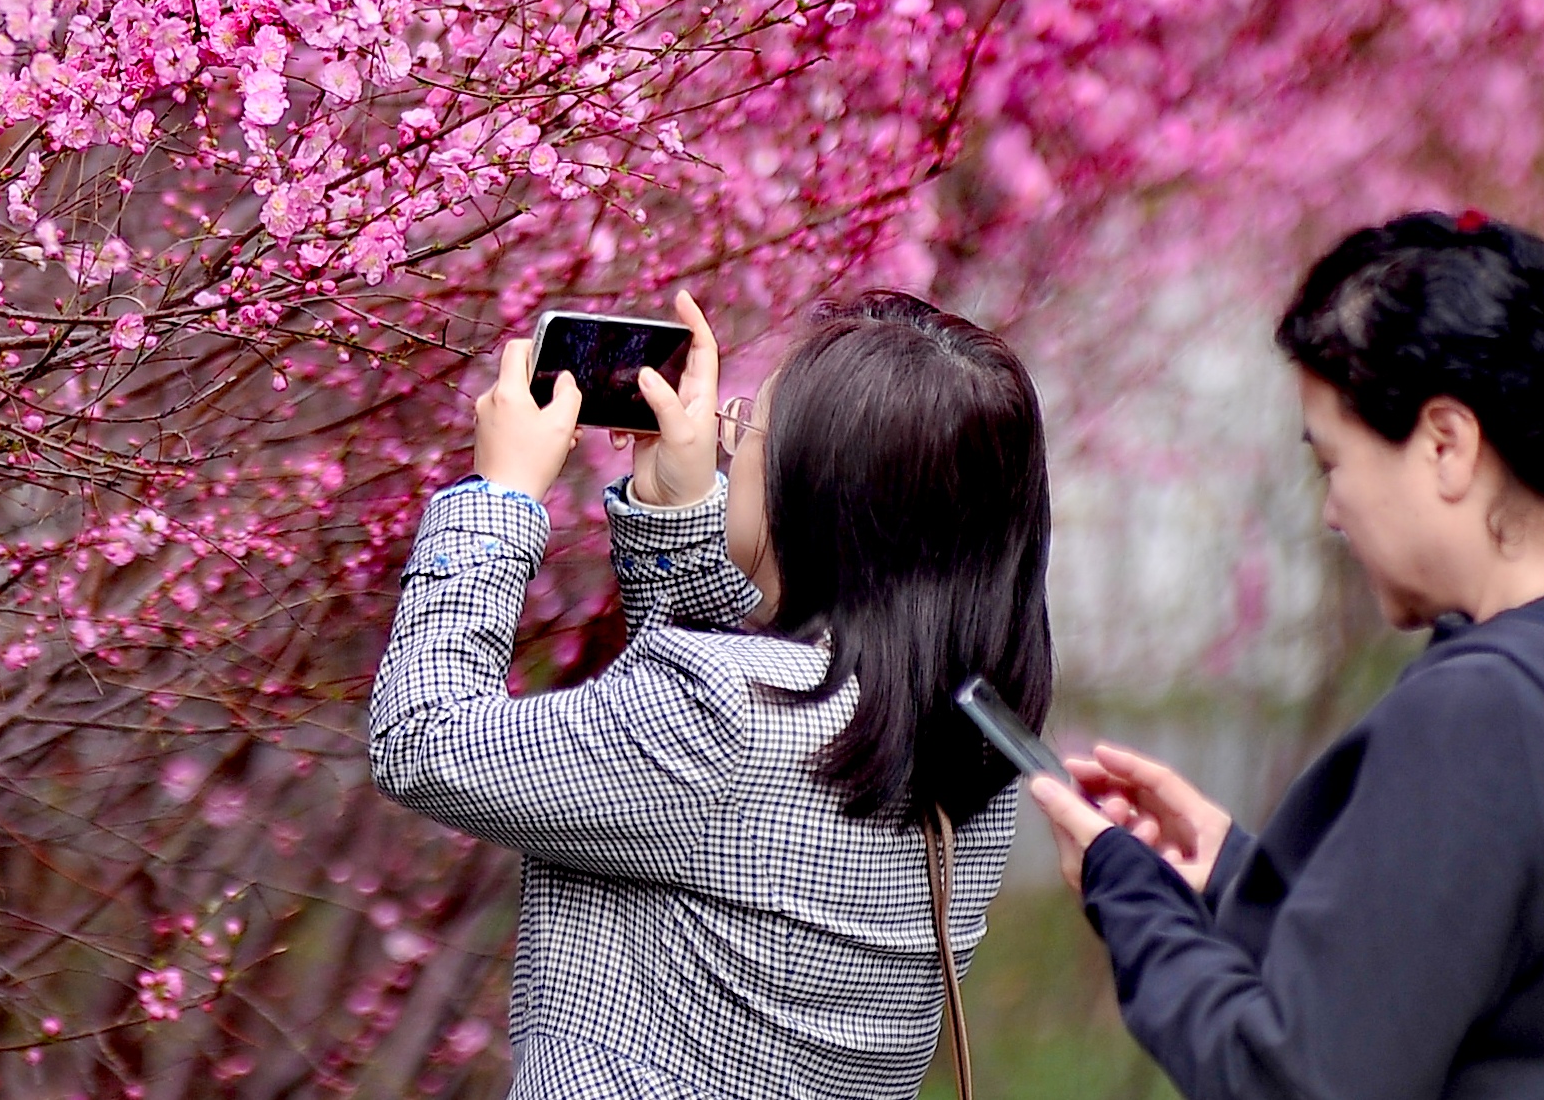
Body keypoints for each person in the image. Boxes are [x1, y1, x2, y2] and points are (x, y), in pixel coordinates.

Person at [1026, 213, 1544, 1100]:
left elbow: (1293, 1082)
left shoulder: (1486, 712)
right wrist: (1240, 880)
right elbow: (1534, 992)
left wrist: (1133, 898)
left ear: (1447, 442)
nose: (1333, 511)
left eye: (1333, 461)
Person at [371, 290, 1056, 1100]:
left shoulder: (724, 719)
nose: (731, 446)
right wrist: (680, 516)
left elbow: (421, 737)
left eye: (749, 431)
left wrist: (499, 498)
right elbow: (745, 755)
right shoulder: (975, 744)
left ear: (820, 494)